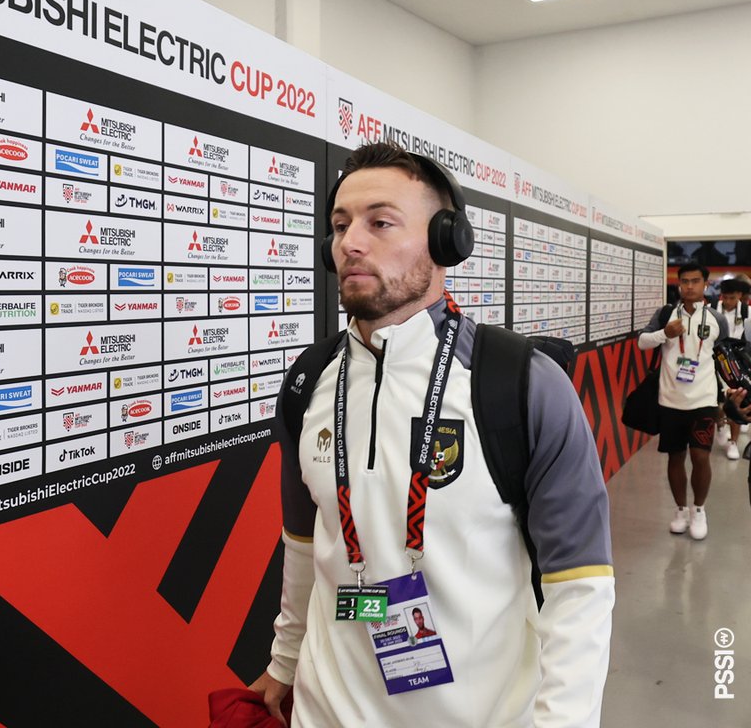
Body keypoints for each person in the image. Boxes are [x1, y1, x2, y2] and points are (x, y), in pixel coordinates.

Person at [250, 142, 614, 727]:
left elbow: (580, 585)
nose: (351, 243)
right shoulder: (308, 383)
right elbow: (302, 545)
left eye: (380, 222)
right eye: (340, 226)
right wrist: (285, 661)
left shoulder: (519, 384)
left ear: (447, 241)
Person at [637, 264, 730, 539]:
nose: (689, 286)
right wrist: (664, 333)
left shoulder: (716, 319)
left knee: (700, 456)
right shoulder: (666, 314)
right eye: (685, 281)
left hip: (704, 399)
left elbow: (723, 360)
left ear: (705, 284)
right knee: (675, 456)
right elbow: (642, 342)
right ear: (679, 285)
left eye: (695, 281)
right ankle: (680, 509)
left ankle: (698, 509)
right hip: (670, 399)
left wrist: (723, 400)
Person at [713, 277, 750, 459]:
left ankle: (733, 442)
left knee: (736, 400)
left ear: (740, 296)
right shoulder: (712, 310)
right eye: (725, 297)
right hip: (713, 361)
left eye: (732, 298)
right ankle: (720, 424)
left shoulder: (747, 312)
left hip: (737, 364)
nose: (728, 301)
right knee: (717, 403)